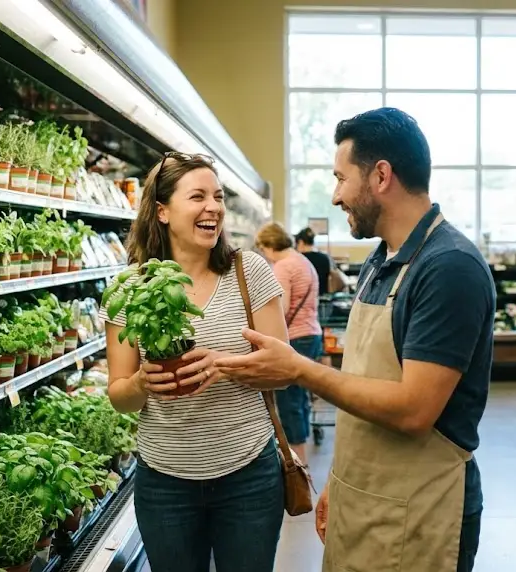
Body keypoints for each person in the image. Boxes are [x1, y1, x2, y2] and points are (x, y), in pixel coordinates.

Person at [210, 108, 496, 572]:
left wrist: (299, 368)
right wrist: (340, 485)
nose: (336, 195)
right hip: (367, 500)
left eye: (342, 178)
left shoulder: (448, 267)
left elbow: (413, 409)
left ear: (381, 176)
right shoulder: (382, 260)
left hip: (421, 513)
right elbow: (362, 384)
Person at [101, 152, 289, 572]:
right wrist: (140, 385)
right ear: (163, 211)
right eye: (198, 196)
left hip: (249, 476)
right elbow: (119, 396)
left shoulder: (248, 271)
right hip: (164, 482)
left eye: (218, 197)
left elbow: (284, 371)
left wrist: (224, 364)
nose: (214, 207)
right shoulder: (132, 289)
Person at [255, 222, 322, 465]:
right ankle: (301, 451)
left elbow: (280, 309)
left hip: (294, 339)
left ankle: (297, 462)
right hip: (312, 334)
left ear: (270, 245)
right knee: (300, 400)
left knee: (289, 403)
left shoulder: (283, 267)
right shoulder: (304, 261)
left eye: (263, 248)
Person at [294, 227, 342, 295]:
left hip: (304, 300)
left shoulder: (297, 260)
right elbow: (339, 280)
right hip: (323, 299)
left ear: (300, 242)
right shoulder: (325, 258)